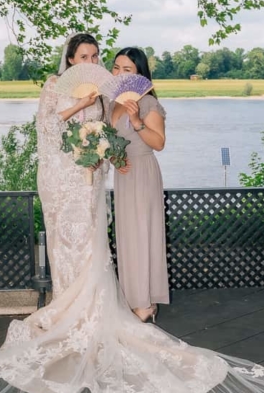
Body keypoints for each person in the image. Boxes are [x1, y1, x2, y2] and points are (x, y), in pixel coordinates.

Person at [0, 35, 264, 393]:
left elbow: (109, 136)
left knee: (93, 242)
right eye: (82, 55)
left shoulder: (109, 93)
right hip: (59, 177)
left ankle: (98, 309)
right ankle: (68, 306)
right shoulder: (57, 87)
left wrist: (102, 157)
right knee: (65, 241)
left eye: (95, 55)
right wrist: (80, 108)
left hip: (91, 177)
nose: (90, 61)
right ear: (69, 60)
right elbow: (46, 130)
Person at [109, 47, 170, 323]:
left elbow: (159, 143)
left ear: (140, 73)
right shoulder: (112, 102)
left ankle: (146, 303)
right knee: (127, 236)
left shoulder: (147, 104)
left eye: (128, 69)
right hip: (123, 175)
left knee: (143, 234)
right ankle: (131, 297)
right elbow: (109, 140)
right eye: (116, 68)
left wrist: (136, 121)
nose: (120, 74)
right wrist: (112, 158)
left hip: (143, 173)